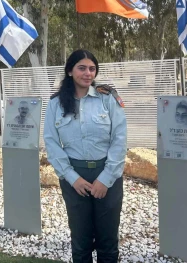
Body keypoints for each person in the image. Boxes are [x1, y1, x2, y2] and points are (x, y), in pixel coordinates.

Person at [44, 49, 127, 263]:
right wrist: (72, 178)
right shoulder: (56, 104)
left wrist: (106, 178)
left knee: (107, 241)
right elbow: (51, 143)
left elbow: (119, 138)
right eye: (82, 68)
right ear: (70, 71)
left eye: (92, 68)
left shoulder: (106, 99)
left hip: (106, 174)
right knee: (80, 241)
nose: (88, 73)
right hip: (74, 177)